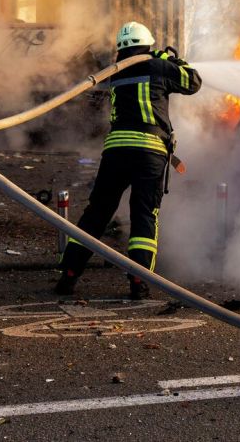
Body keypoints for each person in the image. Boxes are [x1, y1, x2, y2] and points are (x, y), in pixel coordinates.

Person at [56, 21, 202, 299]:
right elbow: (193, 81)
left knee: (97, 212)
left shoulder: (116, 71)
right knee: (144, 215)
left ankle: (70, 274)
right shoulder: (157, 66)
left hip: (116, 151)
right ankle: (138, 281)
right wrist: (169, 58)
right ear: (147, 43)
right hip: (148, 151)